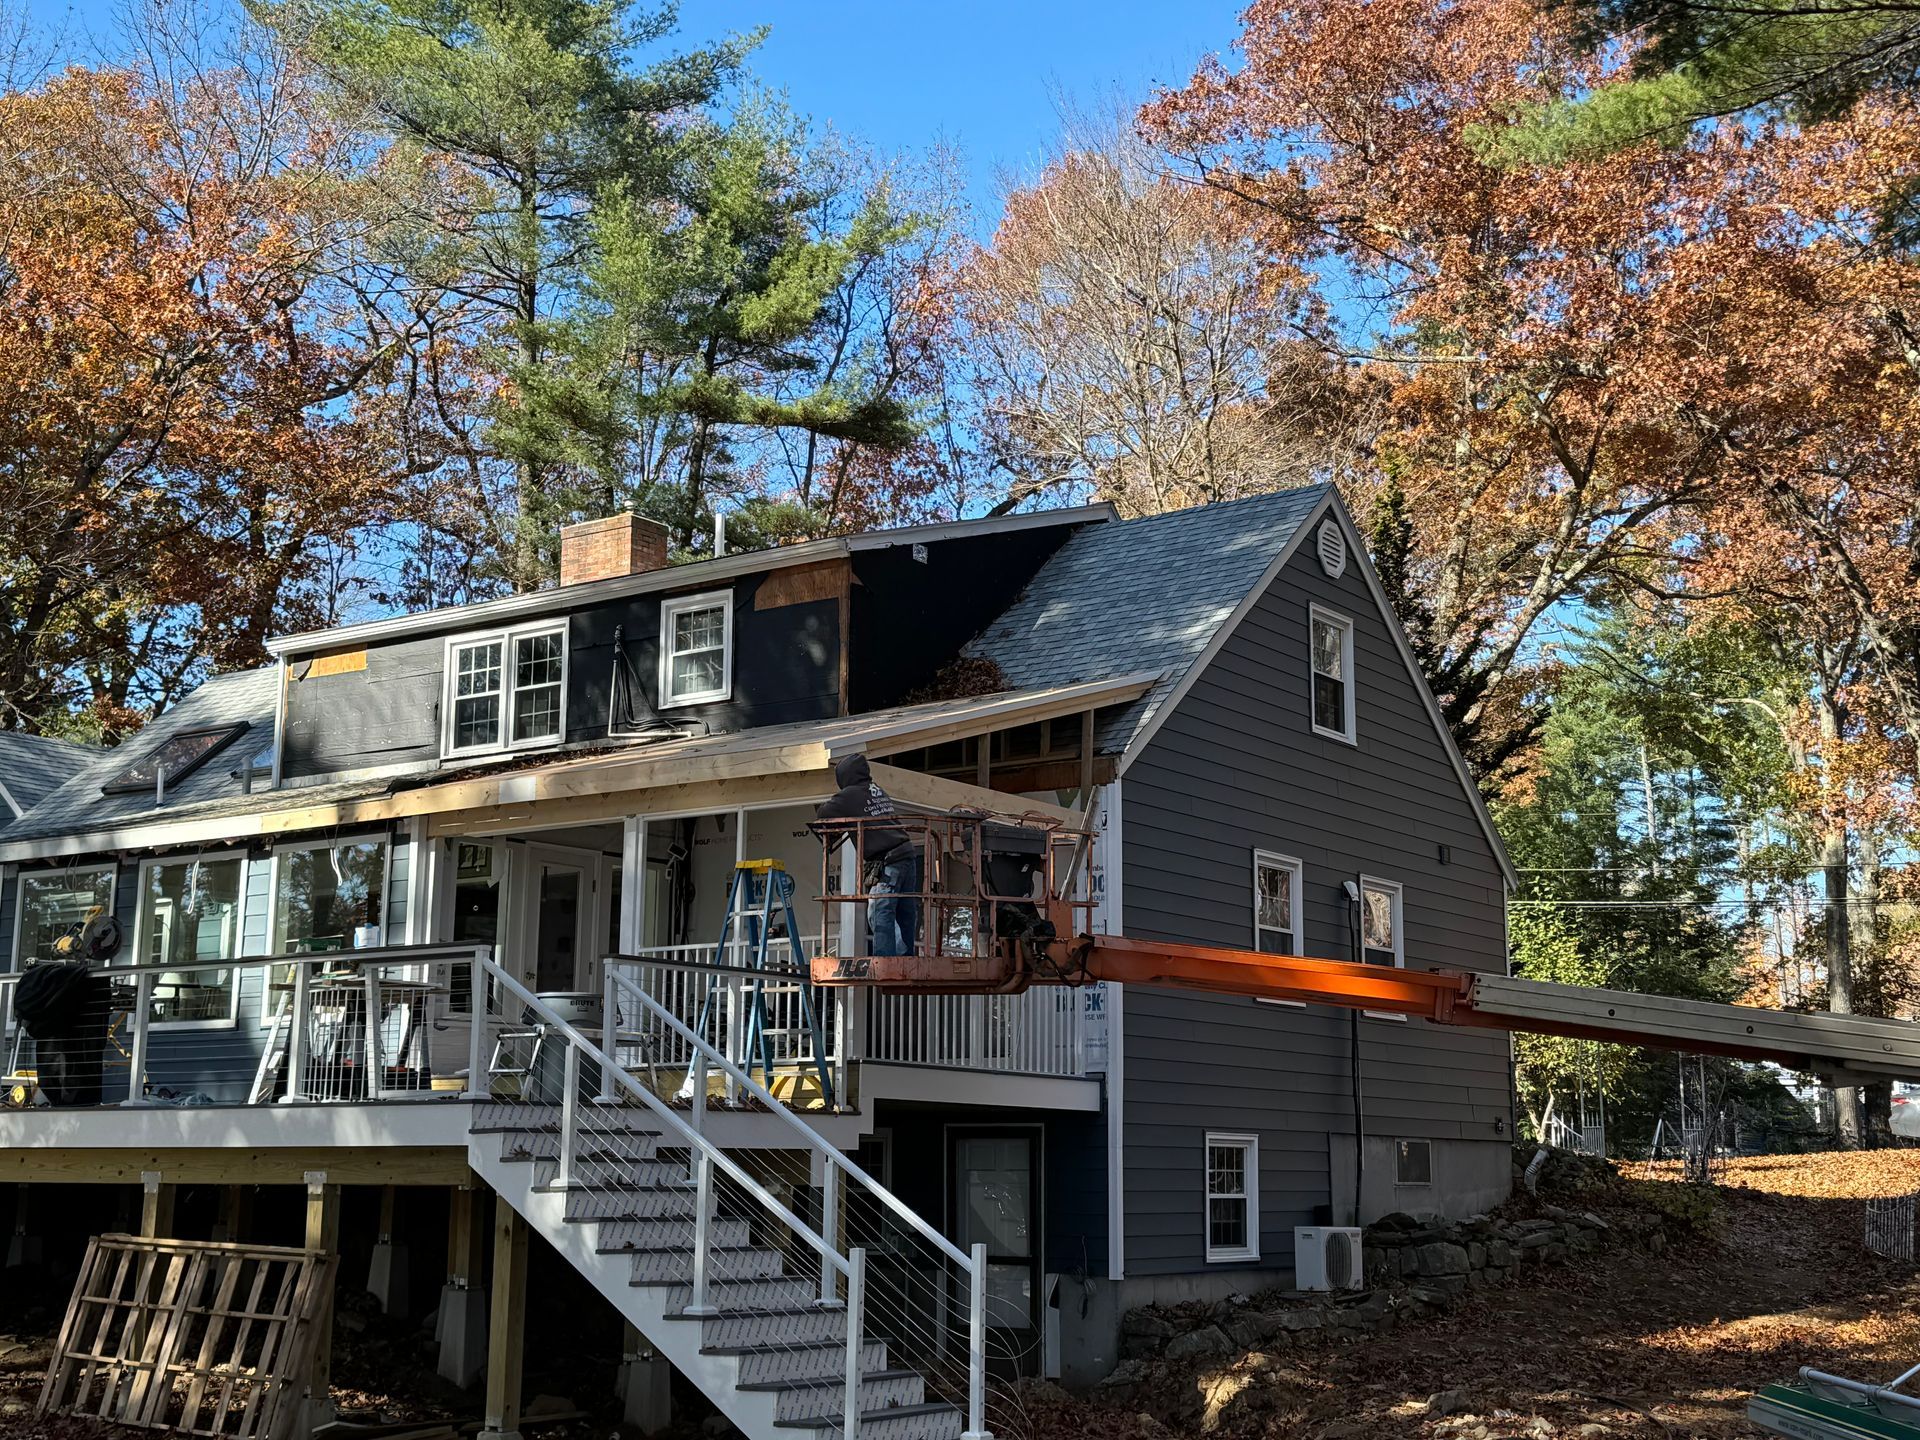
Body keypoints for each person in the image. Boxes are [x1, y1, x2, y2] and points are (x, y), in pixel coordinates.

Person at [813, 754, 920, 957]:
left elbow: (824, 813)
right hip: (906, 853)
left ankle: (886, 959)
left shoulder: (850, 794)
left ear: (844, 776)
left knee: (880, 909)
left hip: (889, 858)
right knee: (904, 910)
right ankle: (905, 956)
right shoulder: (877, 790)